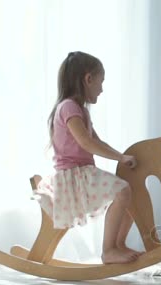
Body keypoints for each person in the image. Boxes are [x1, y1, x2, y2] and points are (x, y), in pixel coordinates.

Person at [34, 51, 141, 264]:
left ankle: (117, 245)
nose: (101, 89)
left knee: (129, 195)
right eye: (101, 83)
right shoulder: (69, 107)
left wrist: (121, 156)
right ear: (88, 79)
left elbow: (97, 142)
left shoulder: (79, 110)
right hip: (74, 175)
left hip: (82, 172)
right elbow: (87, 143)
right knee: (123, 191)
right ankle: (109, 250)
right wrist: (120, 158)